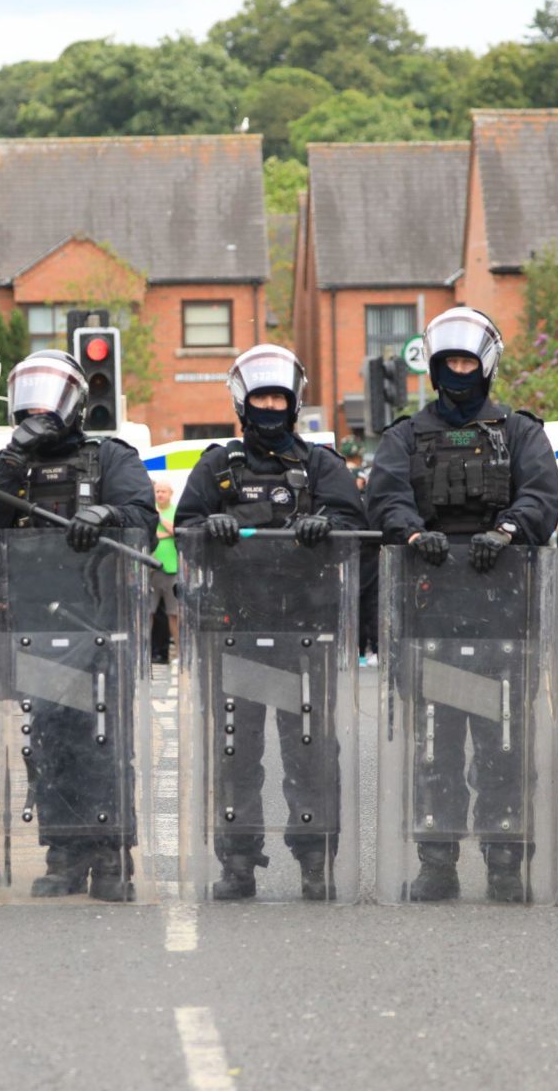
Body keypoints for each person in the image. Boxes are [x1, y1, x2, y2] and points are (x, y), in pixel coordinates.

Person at [363, 306, 558, 902]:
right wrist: (409, 533)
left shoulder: (521, 433)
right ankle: (437, 862)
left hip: (504, 617)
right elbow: (385, 498)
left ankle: (505, 862)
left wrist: (507, 531)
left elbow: (543, 496)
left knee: (504, 748)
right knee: (433, 750)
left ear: (486, 365)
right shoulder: (404, 437)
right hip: (428, 619)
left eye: (465, 361)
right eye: (447, 361)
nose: (456, 372)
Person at [176, 344, 367, 900]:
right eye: (260, 395)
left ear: (293, 402)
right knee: (234, 750)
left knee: (310, 751)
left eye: (277, 396)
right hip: (235, 630)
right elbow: (184, 528)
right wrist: (208, 527)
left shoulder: (321, 465)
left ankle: (315, 860)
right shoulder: (217, 465)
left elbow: (354, 525)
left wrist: (323, 525)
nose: (269, 405)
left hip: (306, 630)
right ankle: (237, 861)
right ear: (243, 400)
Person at [0, 350, 157, 901]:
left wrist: (107, 516)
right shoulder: (9, 464)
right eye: (28, 400)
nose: (39, 411)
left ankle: (111, 855)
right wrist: (12, 456)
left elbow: (143, 517)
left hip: (99, 622)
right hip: (35, 624)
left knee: (103, 741)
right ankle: (65, 854)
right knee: (51, 744)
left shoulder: (109, 459)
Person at [150, 478, 179, 665]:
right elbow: (149, 533)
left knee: (174, 614)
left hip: (172, 569)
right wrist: (164, 533)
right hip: (150, 568)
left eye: (163, 491)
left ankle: (181, 652)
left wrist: (159, 517)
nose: (159, 494)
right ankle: (142, 651)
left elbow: (176, 530)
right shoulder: (147, 508)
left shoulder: (175, 510)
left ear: (170, 494)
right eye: (157, 491)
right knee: (147, 613)